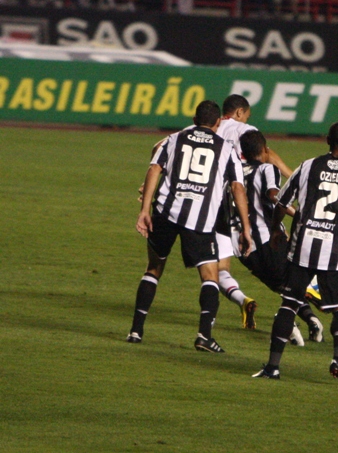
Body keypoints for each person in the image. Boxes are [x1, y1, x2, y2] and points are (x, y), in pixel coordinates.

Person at [253, 121, 338, 384]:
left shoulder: (307, 166)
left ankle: (272, 367)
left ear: (327, 140)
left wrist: (275, 229)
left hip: (302, 245)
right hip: (333, 251)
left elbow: (281, 201)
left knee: (289, 304)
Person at [126, 100, 252, 354]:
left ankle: (136, 331)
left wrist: (144, 210)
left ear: (195, 120)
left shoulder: (175, 139)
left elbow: (154, 168)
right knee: (210, 276)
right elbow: (238, 188)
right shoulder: (226, 149)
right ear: (218, 123)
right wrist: (246, 228)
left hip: (165, 213)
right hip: (200, 220)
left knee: (154, 268)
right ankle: (204, 336)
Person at [238, 129, 324, 344]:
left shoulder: (234, 171)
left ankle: (311, 320)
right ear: (265, 150)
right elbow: (273, 195)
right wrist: (294, 212)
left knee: (281, 285)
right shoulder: (267, 169)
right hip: (268, 239)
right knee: (294, 281)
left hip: (241, 246)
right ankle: (289, 324)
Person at [213, 94, 292, 330]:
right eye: (247, 114)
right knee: (278, 268)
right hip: (247, 209)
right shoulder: (245, 130)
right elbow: (266, 154)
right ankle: (300, 311)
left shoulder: (213, 129)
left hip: (216, 207)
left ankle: (239, 300)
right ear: (239, 113)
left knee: (218, 269)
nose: (247, 118)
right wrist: (293, 175)